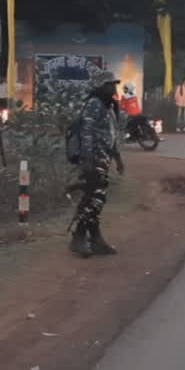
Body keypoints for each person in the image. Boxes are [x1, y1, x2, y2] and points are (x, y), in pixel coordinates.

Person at [71, 71, 125, 257]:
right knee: (94, 198)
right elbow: (87, 131)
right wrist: (87, 159)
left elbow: (111, 133)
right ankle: (79, 237)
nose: (113, 88)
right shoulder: (94, 104)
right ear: (101, 86)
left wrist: (117, 158)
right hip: (93, 157)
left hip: (104, 157)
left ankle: (95, 239)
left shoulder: (108, 105)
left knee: (96, 198)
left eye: (114, 84)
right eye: (109, 84)